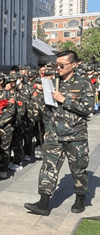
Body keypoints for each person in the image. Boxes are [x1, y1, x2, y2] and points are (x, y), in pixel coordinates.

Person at [25, 50, 94, 216]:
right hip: (54, 134)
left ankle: (80, 198)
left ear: (74, 65)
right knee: (48, 167)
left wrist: (65, 100)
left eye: (62, 65)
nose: (58, 67)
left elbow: (88, 109)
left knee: (78, 169)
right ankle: (43, 202)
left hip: (75, 135)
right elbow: (48, 109)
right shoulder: (54, 81)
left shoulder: (84, 84)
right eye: (57, 64)